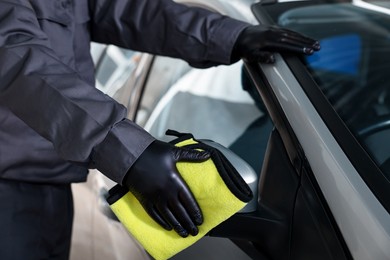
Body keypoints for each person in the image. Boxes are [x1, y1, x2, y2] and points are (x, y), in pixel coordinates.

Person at [0, 0, 320, 259]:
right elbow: (15, 58)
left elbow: (129, 11)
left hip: (49, 176)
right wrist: (128, 151)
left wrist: (228, 35)